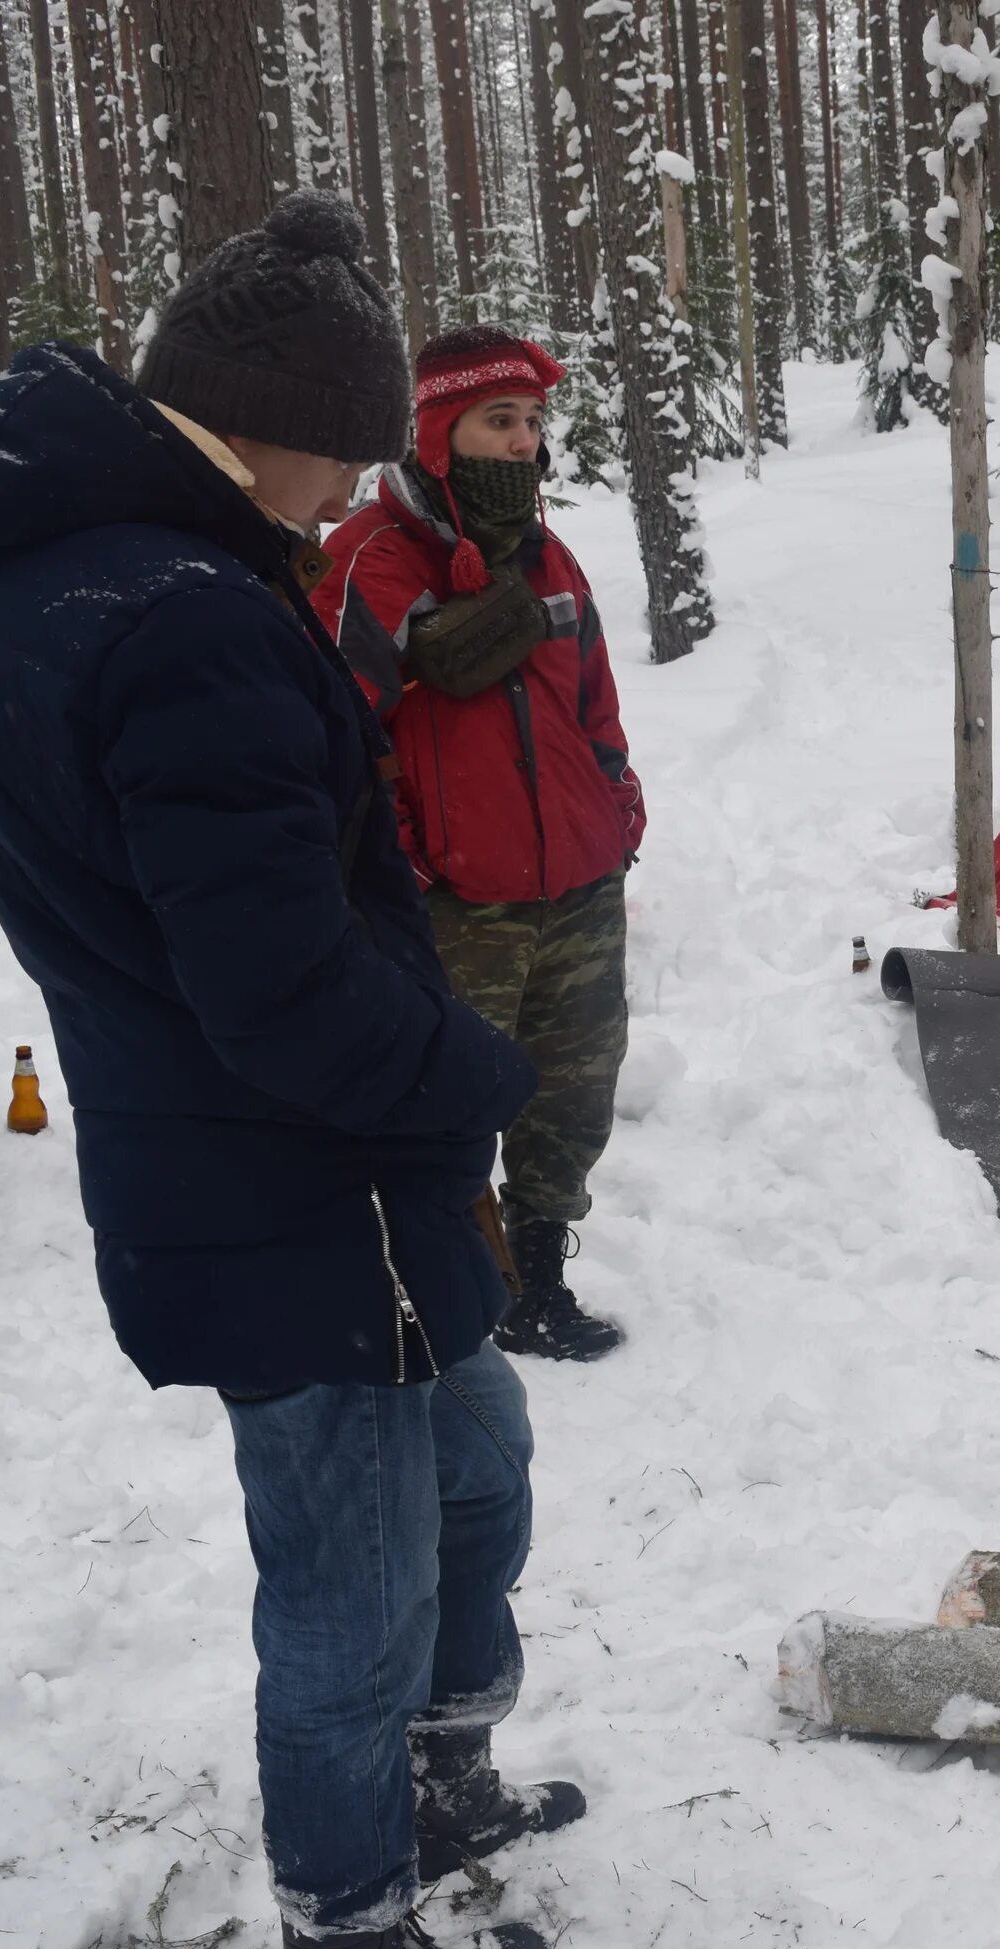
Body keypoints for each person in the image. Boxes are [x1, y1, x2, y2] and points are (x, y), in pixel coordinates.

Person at [0, 193, 569, 1949]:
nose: (343, 491)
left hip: (298, 1174)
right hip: (300, 1191)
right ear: (283, 424)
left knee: (477, 1476)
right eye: (343, 453)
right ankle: (355, 1933)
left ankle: (444, 1792)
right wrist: (478, 1074)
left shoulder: (62, 568)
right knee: (349, 1594)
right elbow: (280, 994)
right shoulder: (187, 614)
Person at [313, 326, 642, 1363]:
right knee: (445, 1106)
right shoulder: (372, 558)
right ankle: (449, 1294)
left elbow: (594, 698)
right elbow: (331, 742)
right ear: (438, 434)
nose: (522, 441)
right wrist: (405, 864)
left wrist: (618, 803)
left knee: (570, 1093)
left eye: (534, 422)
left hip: (580, 887)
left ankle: (538, 1280)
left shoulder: (549, 555)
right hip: (455, 905)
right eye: (499, 420)